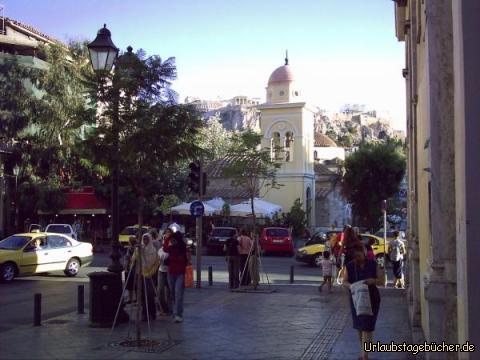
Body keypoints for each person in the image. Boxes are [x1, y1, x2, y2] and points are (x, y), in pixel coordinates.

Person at [343, 246, 383, 360]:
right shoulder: (349, 266)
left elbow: (382, 281)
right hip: (356, 299)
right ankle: (363, 353)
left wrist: (372, 281)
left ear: (364, 253)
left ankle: (364, 356)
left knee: (367, 326)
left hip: (372, 298)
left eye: (359, 256)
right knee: (360, 326)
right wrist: (351, 286)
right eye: (355, 256)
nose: (357, 258)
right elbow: (344, 282)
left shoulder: (373, 264)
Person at [164, 231, 189, 323]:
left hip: (180, 273)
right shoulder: (170, 248)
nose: (172, 242)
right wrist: (168, 237)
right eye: (172, 240)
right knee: (173, 293)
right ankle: (176, 311)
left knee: (178, 294)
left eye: (174, 240)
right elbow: (164, 248)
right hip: (171, 272)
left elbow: (186, 258)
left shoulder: (182, 247)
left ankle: (178, 314)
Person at [134, 233, 159, 321]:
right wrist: (138, 250)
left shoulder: (153, 251)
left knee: (149, 295)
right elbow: (135, 259)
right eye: (144, 239)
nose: (145, 241)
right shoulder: (140, 249)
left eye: (147, 239)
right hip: (140, 274)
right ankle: (145, 313)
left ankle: (152, 312)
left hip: (149, 275)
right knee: (142, 295)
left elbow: (156, 263)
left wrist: (150, 273)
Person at [157, 228, 172, 315]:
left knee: (169, 291)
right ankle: (162, 307)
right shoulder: (161, 249)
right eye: (166, 234)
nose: (167, 235)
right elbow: (158, 260)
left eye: (168, 234)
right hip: (161, 271)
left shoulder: (173, 247)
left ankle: (169, 308)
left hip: (170, 271)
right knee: (160, 290)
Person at [124, 236, 137, 304]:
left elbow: (127, 259)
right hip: (133, 268)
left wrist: (126, 268)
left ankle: (131, 298)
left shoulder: (130, 249)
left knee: (130, 284)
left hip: (131, 268)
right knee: (133, 284)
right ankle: (134, 298)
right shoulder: (135, 248)